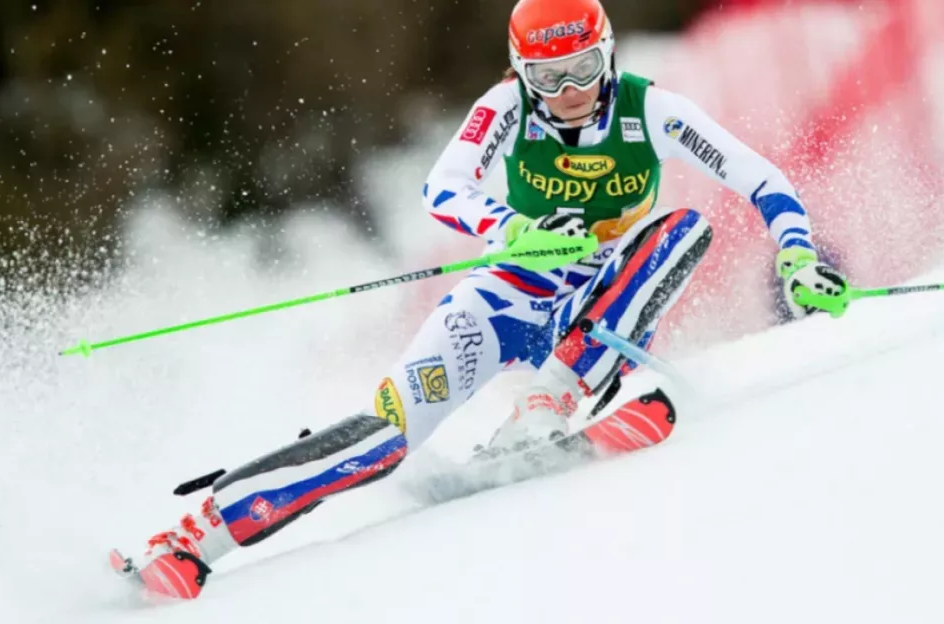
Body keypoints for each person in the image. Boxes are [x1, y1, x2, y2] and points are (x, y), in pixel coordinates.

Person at [111, 0, 848, 599]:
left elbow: (761, 179)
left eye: (584, 69)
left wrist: (796, 253)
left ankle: (545, 406)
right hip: (499, 307)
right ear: (523, 74)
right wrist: (515, 228)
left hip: (594, 306)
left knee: (682, 231)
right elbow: (443, 188)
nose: (568, 93)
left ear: (610, 54)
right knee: (381, 439)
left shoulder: (650, 111)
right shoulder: (505, 107)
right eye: (548, 77)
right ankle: (195, 538)